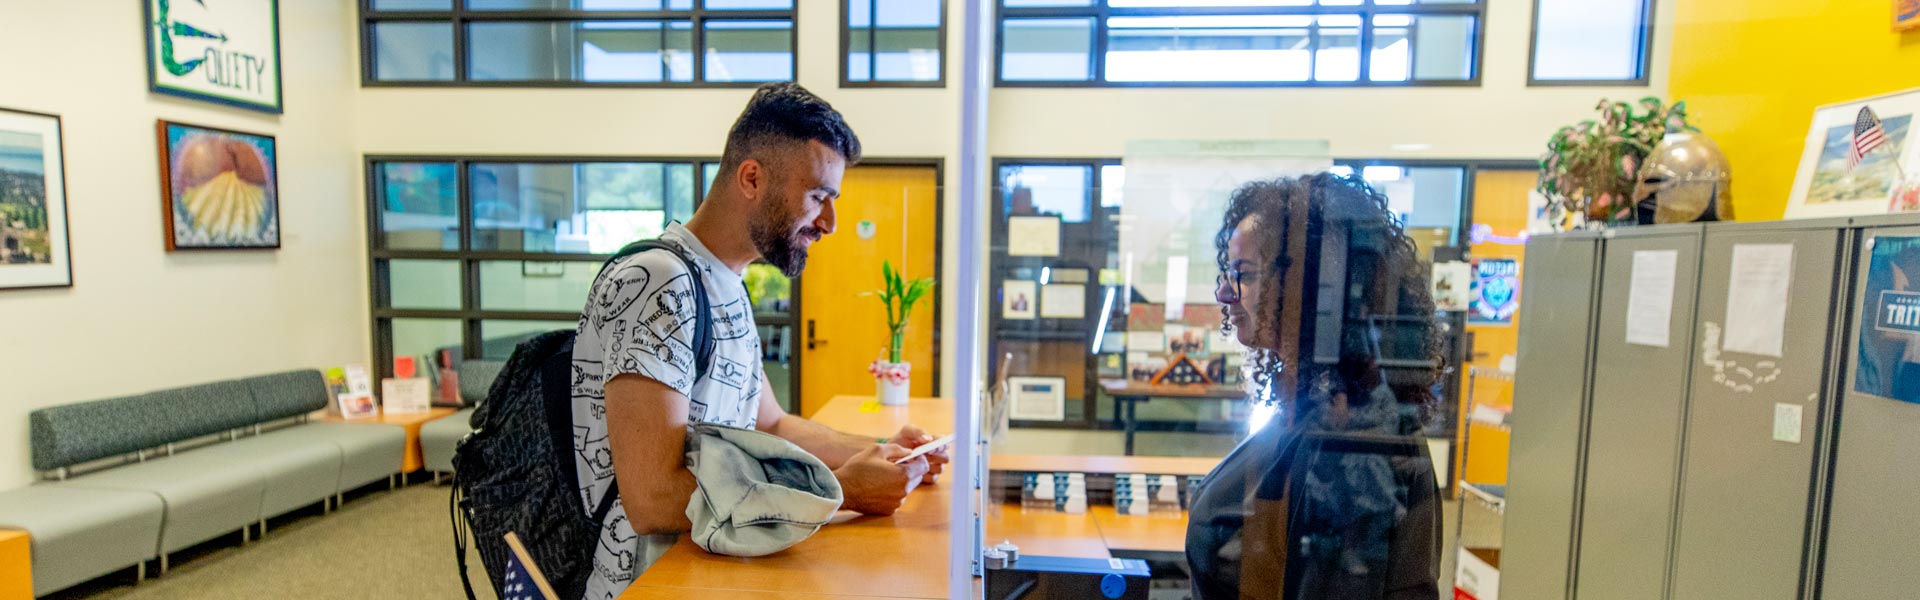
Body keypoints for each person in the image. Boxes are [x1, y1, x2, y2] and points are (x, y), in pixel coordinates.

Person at [569, 82, 949, 599]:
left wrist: (884, 452)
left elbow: (770, 423)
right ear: (752, 177)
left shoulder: (724, 283)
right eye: (818, 196)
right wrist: (837, 493)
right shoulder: (657, 282)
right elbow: (653, 498)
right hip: (652, 582)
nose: (830, 223)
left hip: (715, 569)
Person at [1187, 173, 1443, 599]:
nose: (1224, 293)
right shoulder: (1316, 409)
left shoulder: (1346, 435)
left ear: (1307, 288)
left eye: (1244, 275)